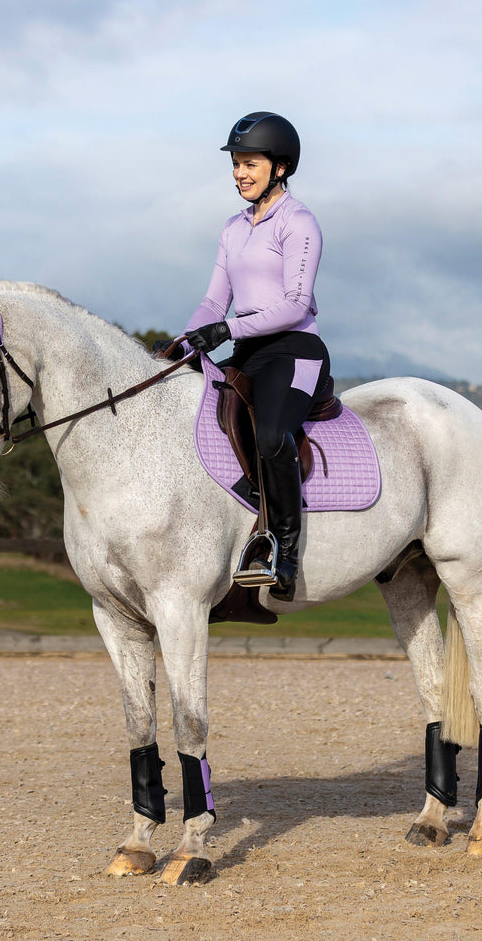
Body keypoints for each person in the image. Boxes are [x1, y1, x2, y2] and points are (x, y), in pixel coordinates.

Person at [181, 111, 331, 602]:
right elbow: (211, 300)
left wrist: (225, 330)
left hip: (295, 349)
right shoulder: (232, 228)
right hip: (247, 349)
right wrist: (183, 343)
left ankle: (285, 552)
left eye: (249, 164)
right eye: (237, 164)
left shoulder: (300, 223)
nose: (240, 173)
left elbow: (293, 304)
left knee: (270, 435)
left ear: (279, 168)